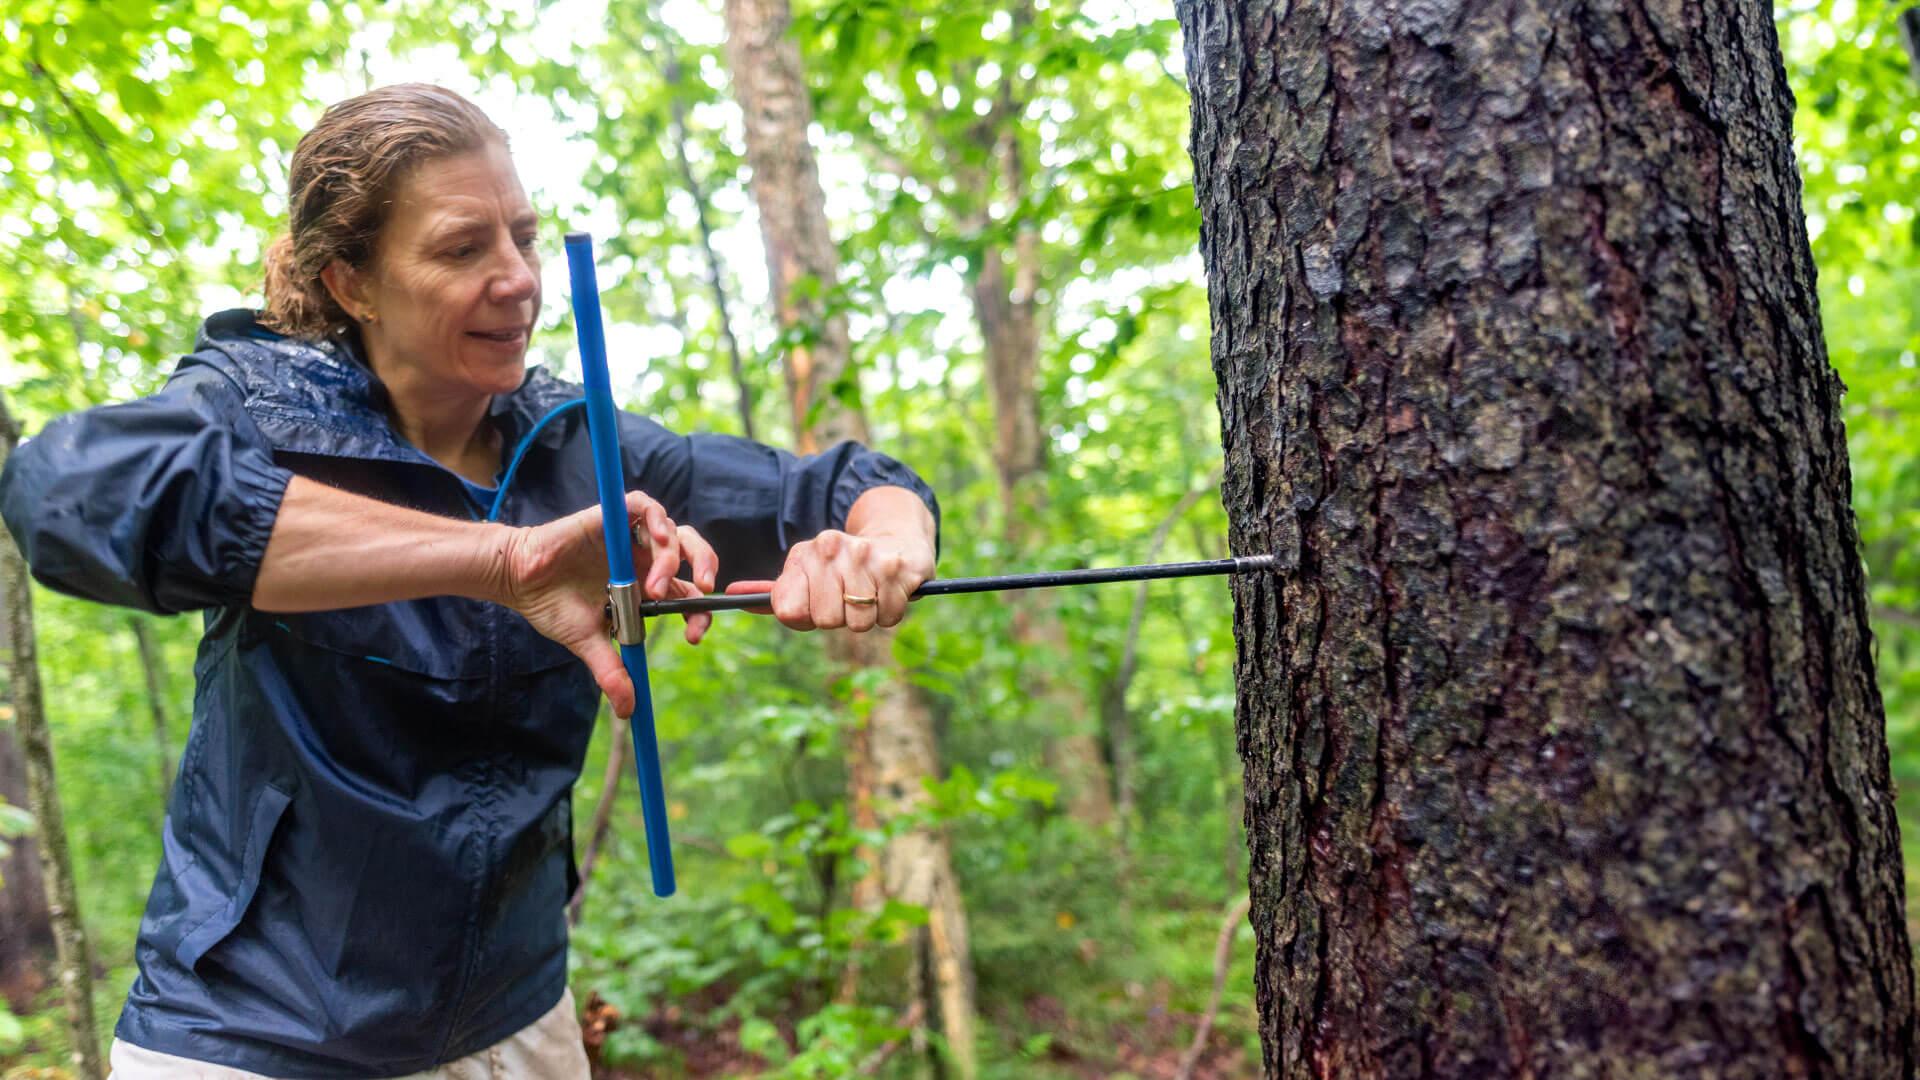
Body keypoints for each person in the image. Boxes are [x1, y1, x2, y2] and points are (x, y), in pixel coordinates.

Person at [0, 84, 939, 1079]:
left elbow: (853, 486)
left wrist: (878, 547)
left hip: (517, 1021)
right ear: (351, 282)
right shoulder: (256, 409)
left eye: (523, 238)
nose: (519, 280)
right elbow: (64, 494)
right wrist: (506, 560)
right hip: (260, 1035)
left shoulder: (581, 443)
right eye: (462, 249)